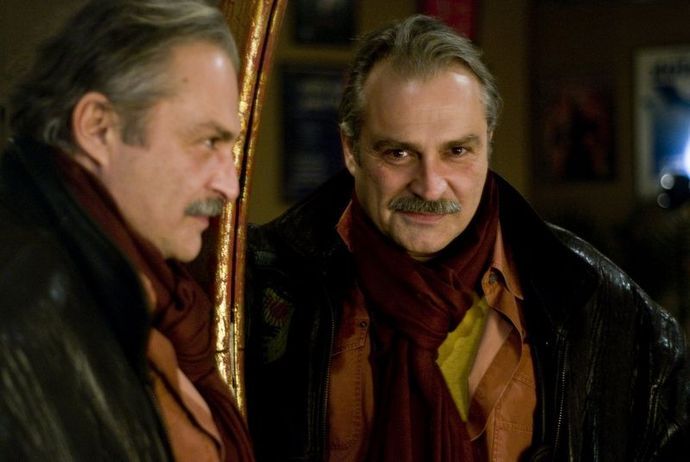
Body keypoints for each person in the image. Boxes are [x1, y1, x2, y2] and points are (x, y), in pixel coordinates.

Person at [244, 14, 690, 461]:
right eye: (398, 153)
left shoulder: (607, 312)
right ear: (350, 150)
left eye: (457, 151)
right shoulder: (260, 291)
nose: (430, 186)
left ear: (488, 143)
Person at [0, 1, 254, 461]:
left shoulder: (148, 290)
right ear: (98, 128)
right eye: (207, 141)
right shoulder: (31, 301)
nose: (229, 186)